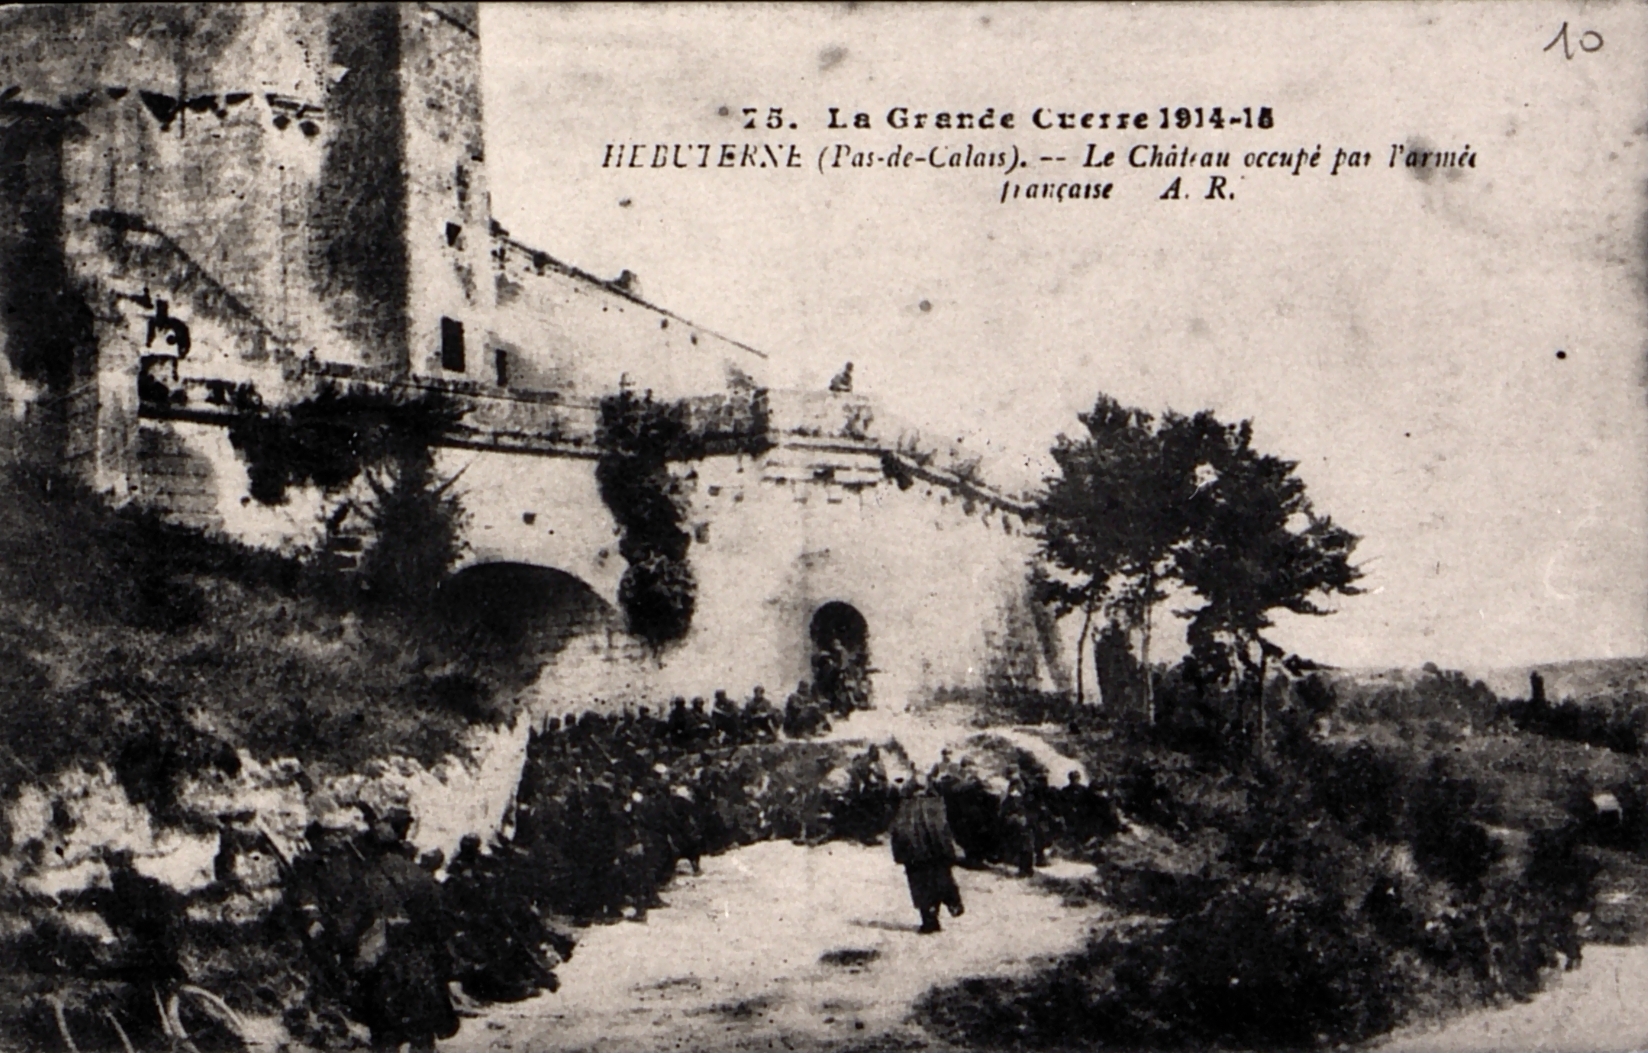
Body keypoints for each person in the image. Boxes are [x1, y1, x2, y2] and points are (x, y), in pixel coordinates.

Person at [889, 777, 965, 934]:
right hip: (935, 852)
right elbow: (943, 830)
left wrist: (900, 854)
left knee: (921, 888)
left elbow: (899, 832)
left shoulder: (905, 807)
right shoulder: (935, 804)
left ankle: (930, 920)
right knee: (941, 879)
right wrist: (948, 852)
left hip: (915, 855)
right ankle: (952, 901)